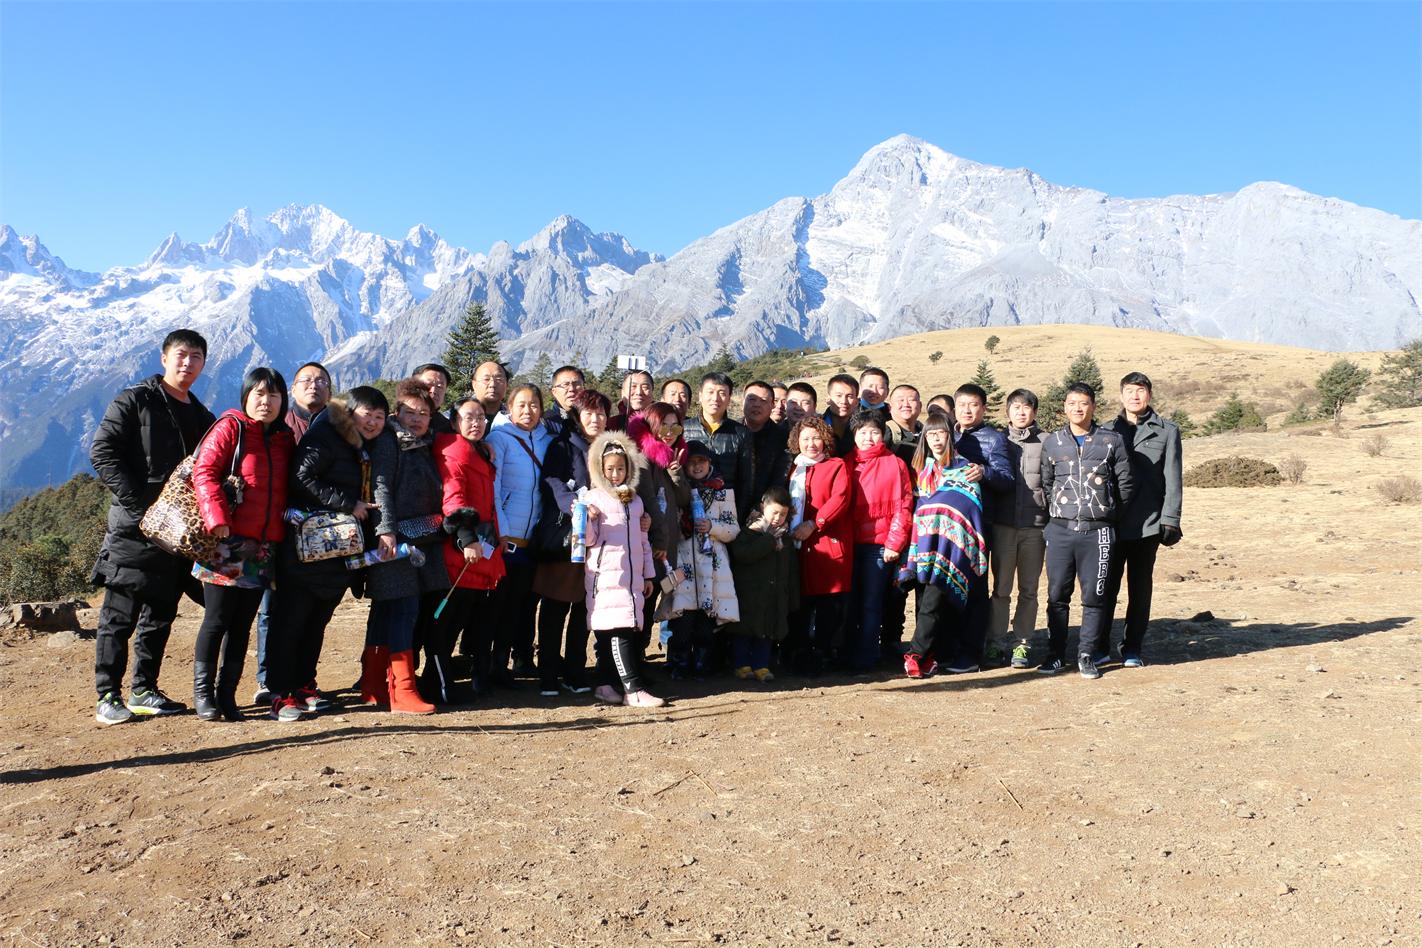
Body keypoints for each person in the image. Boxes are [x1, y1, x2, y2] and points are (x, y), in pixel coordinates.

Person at [90, 328, 215, 724]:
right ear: (164, 358)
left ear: (203, 364)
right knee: (119, 615)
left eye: (196, 356)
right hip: (133, 529)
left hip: (177, 536)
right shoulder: (135, 400)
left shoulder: (202, 415)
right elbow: (103, 452)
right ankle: (107, 695)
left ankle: (144, 689)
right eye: (181, 354)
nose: (188, 363)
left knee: (160, 614)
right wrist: (143, 508)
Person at [266, 385, 387, 722]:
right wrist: (348, 504)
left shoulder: (359, 444)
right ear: (349, 412)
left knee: (316, 622)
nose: (373, 422)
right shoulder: (327, 434)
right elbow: (300, 477)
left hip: (335, 551)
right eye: (367, 414)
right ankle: (280, 693)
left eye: (380, 417)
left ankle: (305, 685)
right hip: (306, 549)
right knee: (291, 621)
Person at [189, 368, 294, 721]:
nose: (266, 402)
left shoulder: (283, 439)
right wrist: (217, 518)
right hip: (226, 541)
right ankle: (204, 695)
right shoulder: (230, 427)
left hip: (263, 548)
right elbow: (204, 471)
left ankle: (227, 695)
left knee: (242, 624)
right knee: (217, 619)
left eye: (274, 395)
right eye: (259, 394)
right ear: (246, 396)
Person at [363, 379, 451, 714]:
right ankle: (402, 691)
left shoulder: (425, 442)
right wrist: (385, 530)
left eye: (423, 413)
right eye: (410, 412)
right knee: (403, 609)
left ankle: (373, 685)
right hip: (396, 539)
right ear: (396, 412)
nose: (416, 419)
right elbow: (381, 487)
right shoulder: (390, 441)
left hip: (421, 538)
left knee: (388, 609)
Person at [1038, 383, 1135, 679]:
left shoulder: (1111, 440)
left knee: (1095, 596)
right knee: (1057, 595)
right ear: (1064, 407)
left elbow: (1125, 483)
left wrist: (1108, 514)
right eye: (1072, 403)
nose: (1077, 408)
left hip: (1098, 532)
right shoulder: (1052, 442)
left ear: (1093, 406)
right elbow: (1047, 483)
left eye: (1083, 403)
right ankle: (1056, 655)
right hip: (1060, 530)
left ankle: (1086, 655)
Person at [898, 410, 989, 678]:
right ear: (925, 438)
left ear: (951, 437)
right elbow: (919, 510)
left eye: (941, 434)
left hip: (955, 548)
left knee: (938, 602)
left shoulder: (966, 469)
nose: (937, 439)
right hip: (925, 546)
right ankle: (928, 656)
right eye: (932, 434)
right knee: (928, 602)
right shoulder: (921, 472)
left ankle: (916, 655)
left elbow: (970, 508)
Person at [1101, 372, 1183, 667]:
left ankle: (1132, 647)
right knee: (1105, 587)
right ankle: (1099, 645)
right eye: (1129, 391)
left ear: (1149, 394)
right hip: (1111, 523)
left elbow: (1173, 477)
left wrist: (1171, 518)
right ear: (1121, 395)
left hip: (1148, 523)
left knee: (1140, 588)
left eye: (1140, 390)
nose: (1135, 396)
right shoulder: (1106, 430)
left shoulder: (1167, 431)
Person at [532, 389, 609, 696]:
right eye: (589, 413)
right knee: (555, 607)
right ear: (578, 416)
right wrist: (574, 504)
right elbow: (550, 482)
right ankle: (548, 672)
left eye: (601, 413)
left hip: (601, 542)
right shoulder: (563, 445)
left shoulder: (611, 448)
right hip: (567, 537)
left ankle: (575, 671)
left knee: (584, 611)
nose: (595, 418)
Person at [429, 396, 506, 702]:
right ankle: (439, 684)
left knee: (465, 617)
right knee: (448, 620)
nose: (476, 423)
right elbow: (453, 496)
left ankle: (450, 682)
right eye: (468, 417)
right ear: (454, 421)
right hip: (463, 548)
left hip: (481, 545)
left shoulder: (477, 451)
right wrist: (466, 537)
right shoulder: (455, 451)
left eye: (481, 418)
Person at [583, 431, 665, 707]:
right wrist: (586, 518)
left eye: (621, 468)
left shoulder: (635, 501)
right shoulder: (593, 499)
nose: (615, 474)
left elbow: (642, 541)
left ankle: (604, 685)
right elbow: (588, 540)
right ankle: (633, 689)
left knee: (617, 632)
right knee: (620, 631)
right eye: (610, 469)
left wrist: (648, 574)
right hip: (606, 577)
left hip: (632, 579)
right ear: (600, 470)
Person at [485, 383, 554, 683]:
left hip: (532, 540)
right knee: (496, 606)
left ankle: (512, 663)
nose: (528, 411)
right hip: (506, 540)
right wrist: (501, 531)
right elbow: (494, 489)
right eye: (521, 405)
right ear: (509, 408)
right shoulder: (499, 439)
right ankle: (488, 666)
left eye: (534, 405)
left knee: (521, 606)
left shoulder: (547, 440)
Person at [665, 441, 741, 678]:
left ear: (710, 463)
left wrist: (712, 527)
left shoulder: (723, 493)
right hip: (684, 564)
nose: (697, 466)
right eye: (692, 462)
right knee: (682, 620)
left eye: (702, 461)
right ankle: (679, 664)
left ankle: (703, 664)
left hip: (712, 569)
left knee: (706, 623)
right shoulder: (678, 493)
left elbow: (733, 530)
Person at [783, 415, 853, 674]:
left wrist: (814, 524)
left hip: (826, 543)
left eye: (816, 438)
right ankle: (799, 654)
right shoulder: (794, 468)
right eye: (805, 439)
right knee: (800, 604)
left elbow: (840, 499)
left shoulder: (836, 465)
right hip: (798, 545)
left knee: (828, 606)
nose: (811, 444)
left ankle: (823, 654)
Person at [845, 411, 913, 673]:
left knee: (872, 603)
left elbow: (904, 505)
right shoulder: (846, 463)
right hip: (849, 543)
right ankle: (847, 653)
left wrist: (894, 543)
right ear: (854, 436)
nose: (868, 437)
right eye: (862, 432)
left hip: (879, 545)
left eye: (874, 432)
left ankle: (867, 656)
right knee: (850, 602)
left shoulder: (895, 464)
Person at [952, 383, 1015, 663]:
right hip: (948, 524)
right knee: (949, 585)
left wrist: (985, 472)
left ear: (984, 408)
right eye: (962, 404)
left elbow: (1007, 479)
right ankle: (949, 647)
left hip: (978, 524)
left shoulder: (994, 439)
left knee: (976, 589)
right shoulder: (947, 434)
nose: (967, 410)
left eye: (974, 404)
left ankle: (971, 651)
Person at [626, 401, 691, 659]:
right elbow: (650, 503)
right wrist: (660, 542)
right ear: (652, 425)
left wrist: (676, 473)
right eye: (664, 425)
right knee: (641, 604)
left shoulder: (670, 457)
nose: (669, 431)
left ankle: (639, 659)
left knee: (650, 601)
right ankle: (632, 662)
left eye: (675, 426)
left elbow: (684, 499)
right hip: (651, 546)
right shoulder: (643, 458)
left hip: (664, 544)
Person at [989, 389, 1048, 670]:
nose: (1021, 412)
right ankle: (995, 641)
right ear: (1007, 412)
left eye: (1026, 407)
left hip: (1035, 527)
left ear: (1034, 412)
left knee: (1029, 589)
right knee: (1000, 589)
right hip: (1003, 526)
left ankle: (1022, 643)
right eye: (1016, 407)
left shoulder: (1047, 442)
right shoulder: (997, 441)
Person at [728, 486, 799, 682]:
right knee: (744, 631)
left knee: (767, 632)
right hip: (749, 593)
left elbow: (791, 570)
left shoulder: (785, 538)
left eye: (783, 514)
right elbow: (743, 555)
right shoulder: (750, 532)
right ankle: (741, 664)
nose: (778, 518)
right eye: (774, 512)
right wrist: (768, 540)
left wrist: (792, 596)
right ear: (762, 507)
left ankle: (761, 665)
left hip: (773, 594)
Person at [880, 383, 923, 659]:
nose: (906, 404)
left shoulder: (927, 433)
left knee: (921, 581)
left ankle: (922, 643)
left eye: (912, 399)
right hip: (891, 520)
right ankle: (890, 639)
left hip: (923, 518)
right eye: (900, 399)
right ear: (890, 405)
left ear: (920, 405)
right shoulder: (885, 433)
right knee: (893, 584)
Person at [682, 372, 754, 522]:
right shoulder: (684, 429)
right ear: (700, 396)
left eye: (722, 393)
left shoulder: (741, 433)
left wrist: (738, 518)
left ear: (729, 398)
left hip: (725, 512)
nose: (715, 398)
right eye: (710, 392)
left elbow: (745, 481)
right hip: (688, 510)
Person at [741, 379, 787, 505]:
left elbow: (780, 480)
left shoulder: (783, 438)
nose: (757, 404)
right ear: (742, 402)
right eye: (752, 399)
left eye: (763, 400)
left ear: (772, 405)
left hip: (766, 508)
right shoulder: (730, 432)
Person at [822, 374, 859, 457]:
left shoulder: (864, 427)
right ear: (828, 399)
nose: (844, 401)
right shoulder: (817, 426)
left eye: (849, 396)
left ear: (857, 401)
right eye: (839, 396)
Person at [413, 362, 454, 434]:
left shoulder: (448, 429)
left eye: (440, 387)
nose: (434, 391)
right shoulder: (397, 421)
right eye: (428, 384)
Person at [547, 364, 586, 430]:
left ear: (584, 388)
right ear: (554, 392)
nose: (571, 389)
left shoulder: (592, 419)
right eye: (565, 384)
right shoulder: (547, 422)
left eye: (576, 383)